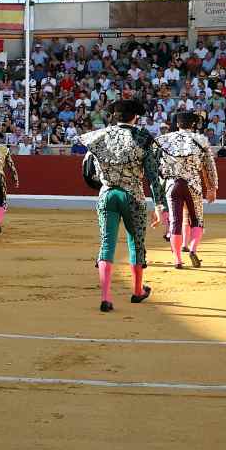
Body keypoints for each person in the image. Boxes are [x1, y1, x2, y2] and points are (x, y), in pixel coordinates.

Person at [79, 98, 165, 313]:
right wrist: (159, 205)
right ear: (136, 117)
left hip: (107, 194)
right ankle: (137, 291)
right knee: (135, 243)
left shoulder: (98, 137)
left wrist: (102, 182)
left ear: (113, 116)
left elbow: (87, 171)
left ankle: (106, 298)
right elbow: (154, 176)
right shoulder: (143, 138)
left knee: (107, 243)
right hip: (132, 195)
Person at [156, 112, 219, 269]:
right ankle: (192, 249)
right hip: (193, 185)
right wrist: (212, 187)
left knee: (175, 221)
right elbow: (210, 166)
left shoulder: (163, 140)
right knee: (197, 219)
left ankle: (177, 259)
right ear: (193, 125)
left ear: (177, 124)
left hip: (172, 185)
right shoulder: (201, 140)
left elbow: (156, 165)